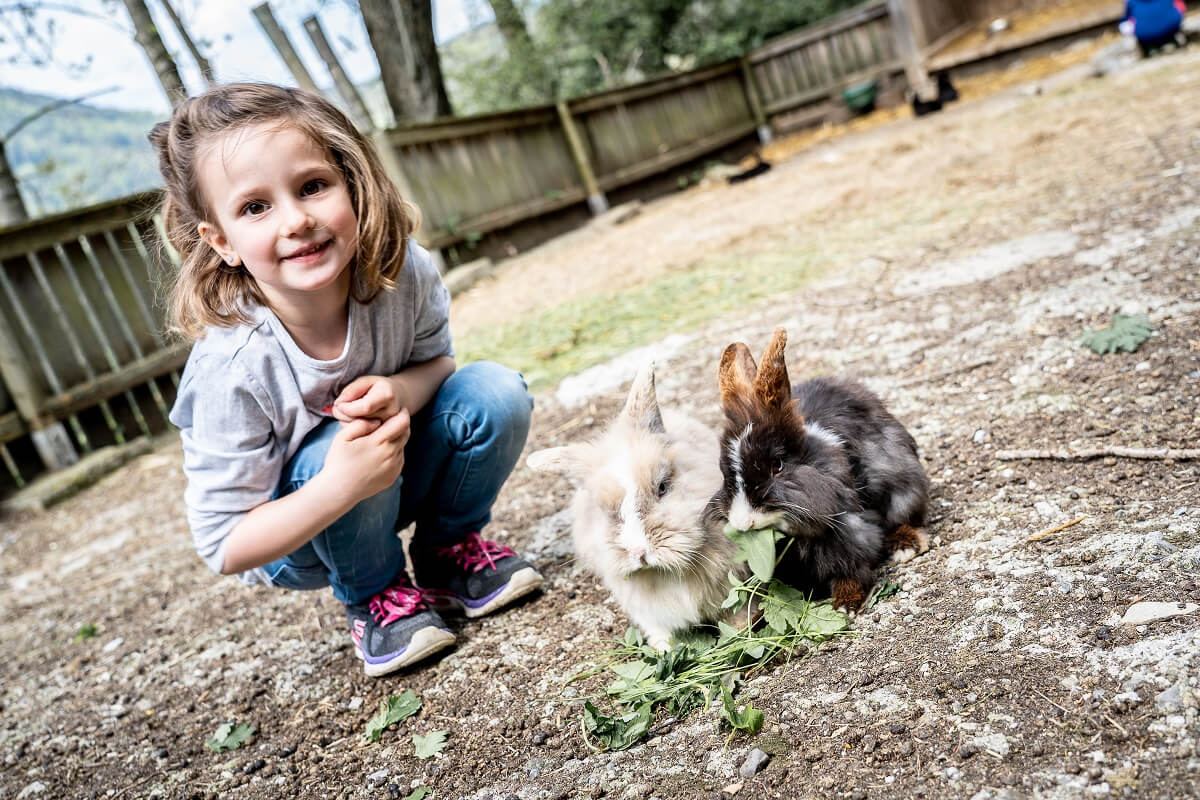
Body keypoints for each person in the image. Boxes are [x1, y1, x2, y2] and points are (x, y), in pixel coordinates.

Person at [151, 83, 542, 677]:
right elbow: (224, 546)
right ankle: (376, 597)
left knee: (494, 390)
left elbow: (439, 365)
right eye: (256, 207)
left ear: (350, 183)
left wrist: (402, 392)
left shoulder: (401, 270)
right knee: (339, 444)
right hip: (304, 533)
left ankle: (447, 555)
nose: (297, 220)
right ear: (221, 240)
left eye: (312, 186)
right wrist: (339, 485)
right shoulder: (232, 369)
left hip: (396, 477)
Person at [1121, 0, 1187, 57]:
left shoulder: (1130, 1)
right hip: (1171, 27)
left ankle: (1150, 48)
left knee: (1127, 25)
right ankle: (1171, 41)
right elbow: (1182, 7)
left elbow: (1126, 20)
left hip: (1146, 34)